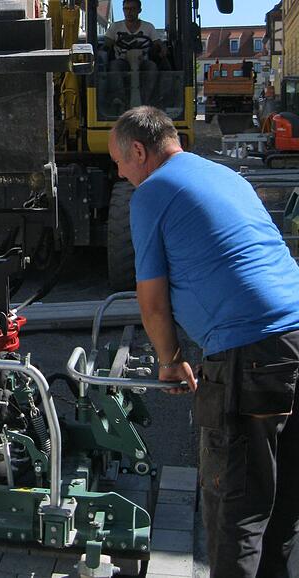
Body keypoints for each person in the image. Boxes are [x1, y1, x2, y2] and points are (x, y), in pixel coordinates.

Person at [108, 106, 299, 578]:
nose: (120, 172)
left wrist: (170, 361)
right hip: (294, 338)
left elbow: (151, 302)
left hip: (249, 355)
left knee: (237, 508)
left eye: (119, 162)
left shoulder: (151, 193)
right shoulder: (226, 176)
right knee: (284, 503)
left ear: (139, 150)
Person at [101, 0, 167, 112]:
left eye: (132, 9)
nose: (129, 12)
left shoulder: (148, 27)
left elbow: (158, 43)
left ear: (139, 10)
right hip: (123, 61)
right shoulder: (115, 27)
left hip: (142, 62)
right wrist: (106, 47)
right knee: (114, 67)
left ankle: (147, 102)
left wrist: (162, 50)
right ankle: (120, 101)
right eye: (126, 9)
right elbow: (107, 44)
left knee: (152, 67)